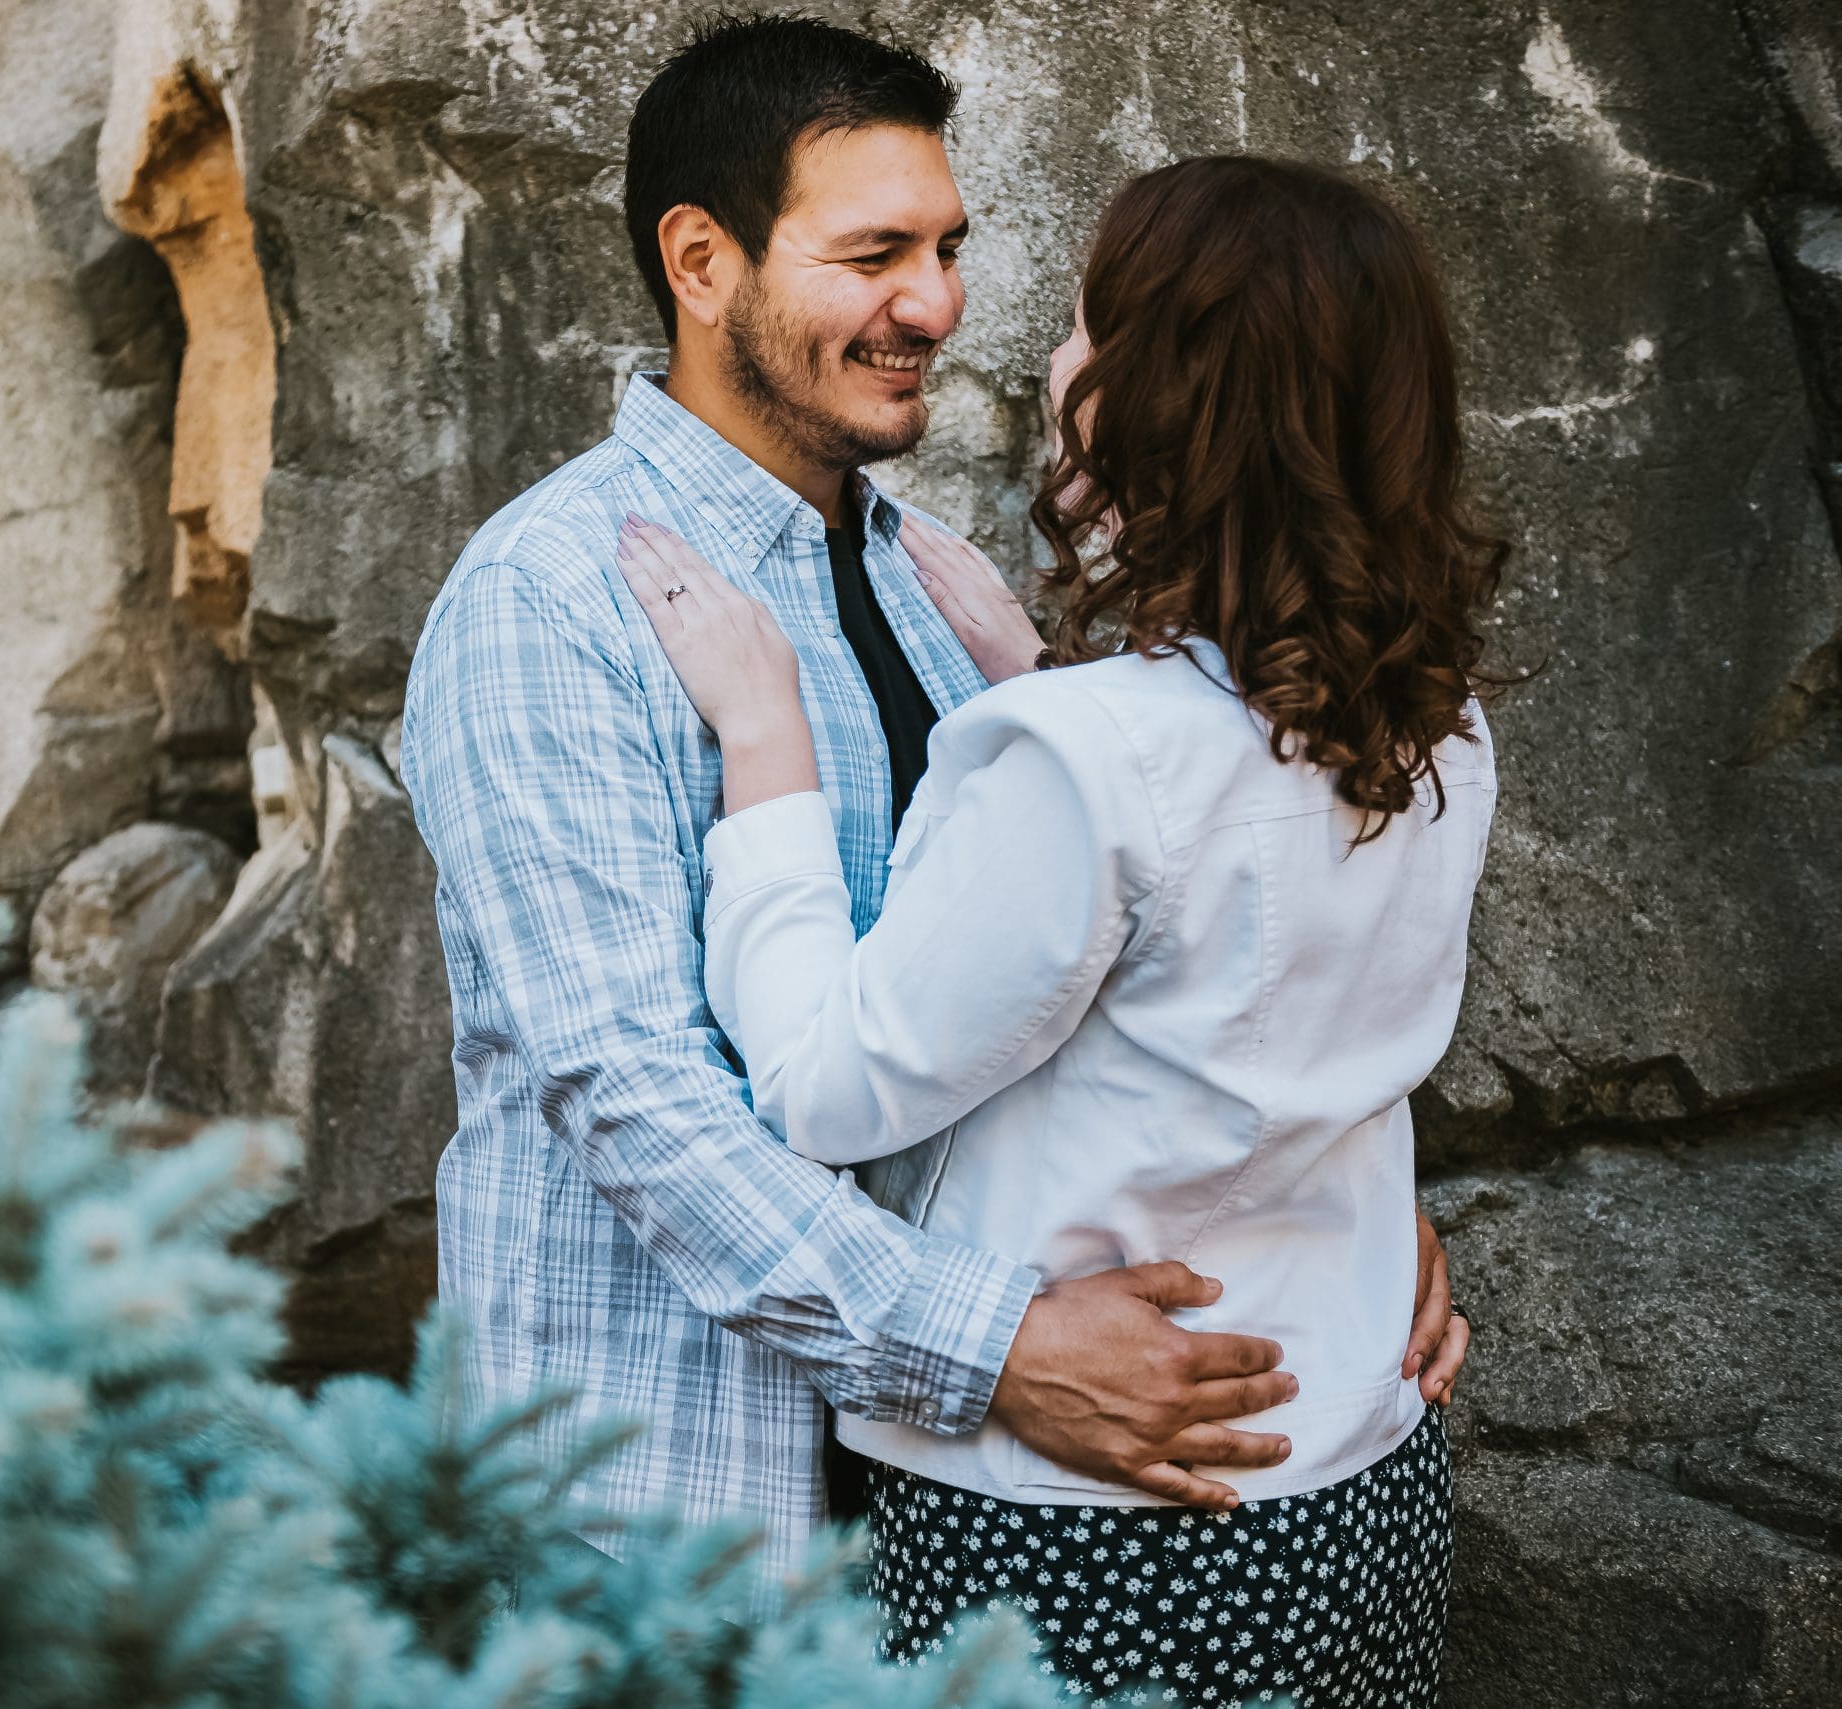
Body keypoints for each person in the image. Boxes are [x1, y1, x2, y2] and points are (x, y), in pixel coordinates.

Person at [398, 13, 1469, 1613]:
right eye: (876, 252)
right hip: (678, 1510)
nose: (939, 303)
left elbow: (1078, 997)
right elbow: (636, 1095)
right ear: (703, 262)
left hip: (970, 1524)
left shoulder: (927, 574)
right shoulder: (554, 600)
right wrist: (996, 1348)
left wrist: (1334, 1214)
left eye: (950, 246)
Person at [614, 152, 1504, 1704]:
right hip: (1354, 1464)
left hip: (1101, 1528)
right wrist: (1040, 676)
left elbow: (828, 1084)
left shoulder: (1086, 756)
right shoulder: (1439, 725)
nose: (1042, 356)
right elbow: (1245, 989)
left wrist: (770, 760)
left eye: (1087, 328)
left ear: (1170, 398)